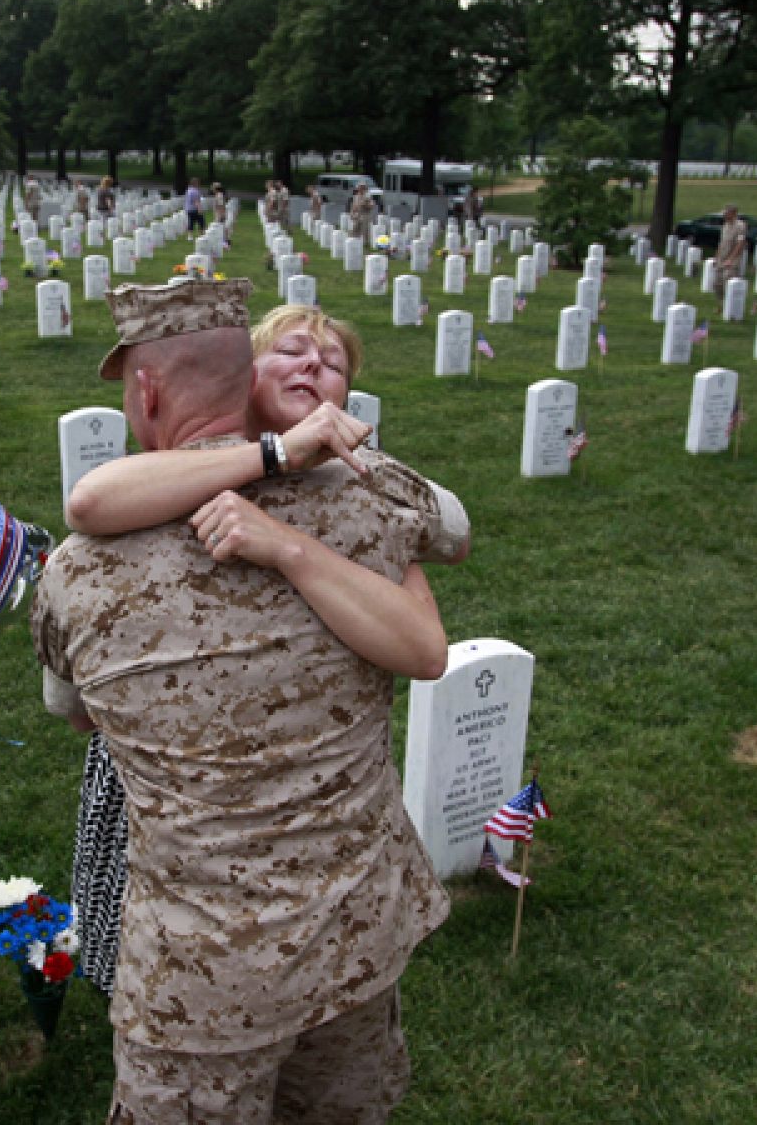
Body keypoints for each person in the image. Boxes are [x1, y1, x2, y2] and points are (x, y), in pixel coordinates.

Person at [33, 280, 466, 1123]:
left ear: (145, 392)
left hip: (200, 983)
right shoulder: (369, 510)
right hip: (359, 938)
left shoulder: (78, 576)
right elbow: (447, 530)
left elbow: (74, 711)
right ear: (251, 385)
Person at [715, 203, 746, 286]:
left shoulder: (740, 226)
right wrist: (717, 256)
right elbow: (721, 242)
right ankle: (720, 298)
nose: (724, 215)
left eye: (727, 213)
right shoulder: (725, 226)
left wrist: (731, 259)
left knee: (728, 279)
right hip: (722, 257)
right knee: (717, 282)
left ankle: (728, 298)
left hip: (732, 258)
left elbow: (740, 243)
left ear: (733, 214)